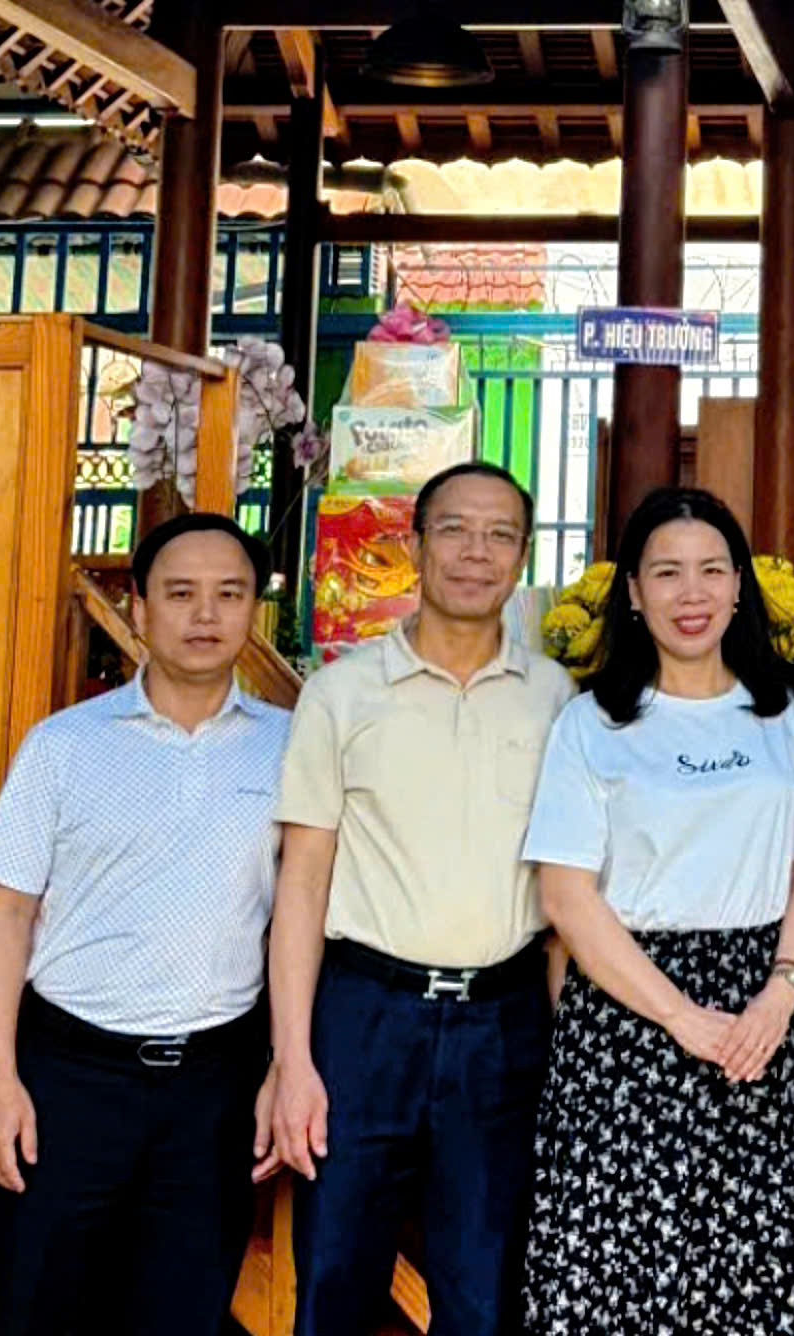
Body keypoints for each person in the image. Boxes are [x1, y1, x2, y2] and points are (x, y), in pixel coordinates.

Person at [265, 462, 576, 1336]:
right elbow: (302, 883)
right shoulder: (342, 693)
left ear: (522, 556)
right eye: (455, 530)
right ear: (414, 545)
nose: (476, 552)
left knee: (484, 1293)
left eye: (500, 535)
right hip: (366, 1018)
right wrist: (294, 1061)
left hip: (503, 1024)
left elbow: (564, 897)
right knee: (336, 1279)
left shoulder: (554, 698)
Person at [0, 514, 287, 1336]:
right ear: (138, 608)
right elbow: (6, 914)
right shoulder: (64, 745)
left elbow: (304, 919)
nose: (205, 615)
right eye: (180, 594)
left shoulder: (290, 750)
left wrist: (285, 1065)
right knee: (40, 1307)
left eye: (229, 594)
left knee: (183, 1312)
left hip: (214, 1084)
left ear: (254, 609)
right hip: (69, 1075)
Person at [520, 487, 794, 1334]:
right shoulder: (593, 724)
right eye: (666, 573)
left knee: (751, 1274)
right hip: (627, 1014)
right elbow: (567, 896)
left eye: (711, 571)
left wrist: (781, 993)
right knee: (619, 1276)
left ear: (739, 586)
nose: (691, 594)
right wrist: (679, 1016)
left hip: (757, 1019)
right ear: (632, 591)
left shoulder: (787, 719)